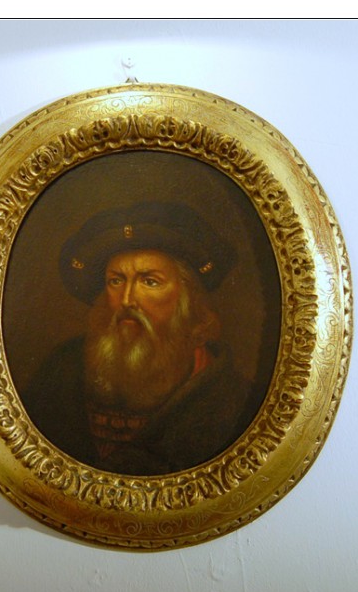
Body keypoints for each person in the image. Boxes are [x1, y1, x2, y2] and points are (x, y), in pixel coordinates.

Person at [22, 201, 253, 476]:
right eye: (116, 281)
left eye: (150, 281)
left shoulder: (230, 398)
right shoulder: (62, 369)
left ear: (187, 298)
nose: (127, 300)